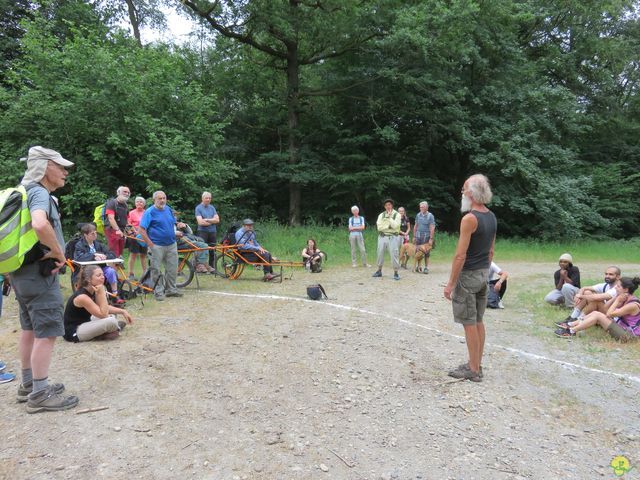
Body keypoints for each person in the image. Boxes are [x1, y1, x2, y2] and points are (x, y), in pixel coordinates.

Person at [11, 146, 79, 412]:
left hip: (21, 274)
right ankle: (39, 393)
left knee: (30, 329)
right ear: (44, 167)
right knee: (47, 333)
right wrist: (59, 253)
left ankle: (28, 384)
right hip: (40, 275)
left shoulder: (21, 191)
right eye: (60, 166)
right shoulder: (39, 192)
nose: (64, 171)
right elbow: (40, 224)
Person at [444, 174, 497, 383]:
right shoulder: (491, 217)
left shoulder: (469, 219)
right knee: (478, 320)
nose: (462, 192)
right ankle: (476, 363)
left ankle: (473, 369)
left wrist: (450, 284)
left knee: (469, 322)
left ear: (472, 193)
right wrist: (484, 272)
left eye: (464, 189)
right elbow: (491, 251)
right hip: (484, 273)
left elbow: (460, 255)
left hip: (468, 276)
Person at [556, 277, 640, 341]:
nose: (615, 288)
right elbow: (606, 307)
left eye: (618, 286)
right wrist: (615, 298)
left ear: (625, 289)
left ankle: (572, 331)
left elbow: (609, 314)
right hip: (621, 328)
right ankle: (571, 325)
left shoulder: (632, 305)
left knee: (598, 315)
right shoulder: (623, 298)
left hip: (629, 336)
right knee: (596, 313)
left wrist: (617, 300)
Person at [63, 266, 133, 342]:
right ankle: (113, 329)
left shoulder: (93, 290)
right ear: (88, 279)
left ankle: (109, 330)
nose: (102, 277)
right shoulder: (82, 297)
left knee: (112, 315)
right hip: (75, 331)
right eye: (98, 275)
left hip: (86, 321)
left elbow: (103, 308)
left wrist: (122, 311)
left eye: (103, 275)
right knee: (111, 321)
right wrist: (102, 293)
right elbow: (103, 314)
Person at [137, 191, 183, 301]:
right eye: (159, 199)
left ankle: (171, 290)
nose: (162, 200)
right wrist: (150, 244)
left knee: (172, 269)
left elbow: (171, 224)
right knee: (156, 270)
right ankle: (158, 291)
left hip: (171, 244)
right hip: (156, 245)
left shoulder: (168, 209)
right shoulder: (149, 212)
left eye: (164, 198)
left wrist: (178, 226)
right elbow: (141, 230)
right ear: (154, 200)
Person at [73, 223, 124, 304]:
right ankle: (93, 296)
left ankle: (115, 295)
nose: (95, 235)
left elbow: (112, 254)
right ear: (85, 235)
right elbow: (79, 257)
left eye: (95, 232)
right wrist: (93, 255)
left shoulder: (98, 244)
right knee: (95, 275)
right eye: (92, 233)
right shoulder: (79, 245)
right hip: (87, 270)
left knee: (111, 271)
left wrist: (105, 256)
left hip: (101, 268)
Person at [556, 266, 621, 328]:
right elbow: (584, 288)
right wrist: (580, 294)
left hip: (613, 318)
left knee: (595, 300)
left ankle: (577, 321)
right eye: (606, 274)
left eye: (610, 274)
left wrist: (581, 296)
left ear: (618, 277)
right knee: (587, 292)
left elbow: (598, 297)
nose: (607, 276)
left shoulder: (618, 288)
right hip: (605, 312)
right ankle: (573, 317)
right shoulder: (606, 285)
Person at [373, 199, 401, 280]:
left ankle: (396, 273)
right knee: (380, 253)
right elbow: (379, 227)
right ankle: (379, 271)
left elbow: (395, 226)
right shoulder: (381, 215)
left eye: (389, 204)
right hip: (382, 237)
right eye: (386, 205)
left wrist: (389, 217)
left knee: (394, 254)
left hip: (393, 237)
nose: (388, 206)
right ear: (384, 206)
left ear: (392, 205)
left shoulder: (397, 215)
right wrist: (388, 226)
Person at [195, 192, 219, 269]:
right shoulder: (198, 208)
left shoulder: (212, 208)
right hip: (202, 232)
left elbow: (217, 220)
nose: (208, 199)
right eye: (206, 198)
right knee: (201, 249)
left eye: (209, 198)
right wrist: (212, 221)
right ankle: (199, 266)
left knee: (212, 250)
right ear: (202, 198)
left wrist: (207, 220)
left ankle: (212, 267)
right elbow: (200, 222)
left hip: (213, 231)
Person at [104, 186, 131, 257]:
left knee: (119, 253)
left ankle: (116, 267)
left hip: (121, 231)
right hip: (112, 230)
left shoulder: (125, 205)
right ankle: (111, 267)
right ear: (118, 192)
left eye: (128, 192)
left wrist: (129, 231)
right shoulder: (112, 203)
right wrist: (118, 230)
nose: (127, 193)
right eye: (125, 192)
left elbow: (127, 221)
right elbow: (110, 218)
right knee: (114, 253)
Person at [126, 196, 148, 279]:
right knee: (133, 254)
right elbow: (127, 224)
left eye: (141, 202)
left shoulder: (147, 213)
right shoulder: (131, 213)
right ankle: (131, 274)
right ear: (135, 203)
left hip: (144, 236)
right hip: (134, 236)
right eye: (137, 202)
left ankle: (145, 274)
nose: (139, 203)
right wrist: (133, 233)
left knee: (143, 255)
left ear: (144, 204)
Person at [413, 201, 436, 273]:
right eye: (420, 207)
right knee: (417, 251)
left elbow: (432, 227)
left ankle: (426, 268)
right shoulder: (418, 215)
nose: (421, 208)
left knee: (426, 253)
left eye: (423, 207)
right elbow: (415, 225)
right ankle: (418, 266)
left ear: (427, 207)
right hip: (418, 236)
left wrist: (431, 238)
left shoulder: (430, 216)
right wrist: (414, 236)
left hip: (426, 237)